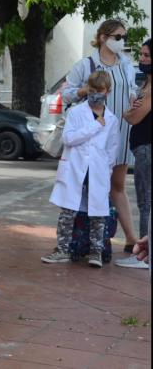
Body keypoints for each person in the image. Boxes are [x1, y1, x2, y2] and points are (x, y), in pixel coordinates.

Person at [62, 19, 139, 252]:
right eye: (118, 36)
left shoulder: (125, 64)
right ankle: (87, 240)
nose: (122, 41)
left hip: (121, 130)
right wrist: (84, 91)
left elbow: (131, 88)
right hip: (94, 133)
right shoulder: (86, 64)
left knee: (118, 184)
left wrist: (134, 96)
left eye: (124, 37)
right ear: (103, 37)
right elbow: (66, 94)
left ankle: (131, 238)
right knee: (92, 187)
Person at [43, 71, 119, 268]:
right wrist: (94, 126)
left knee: (98, 213)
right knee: (68, 212)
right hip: (76, 168)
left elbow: (112, 149)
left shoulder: (111, 119)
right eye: (91, 91)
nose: (95, 95)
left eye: (99, 91)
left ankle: (96, 252)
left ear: (107, 92)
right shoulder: (76, 112)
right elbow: (69, 139)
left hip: (98, 170)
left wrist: (106, 171)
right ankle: (62, 250)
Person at [116, 39, 151, 269]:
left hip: (147, 148)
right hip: (141, 148)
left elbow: (133, 117)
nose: (142, 59)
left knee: (146, 201)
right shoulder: (146, 83)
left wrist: (129, 113)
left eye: (147, 55)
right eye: (142, 54)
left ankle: (144, 255)